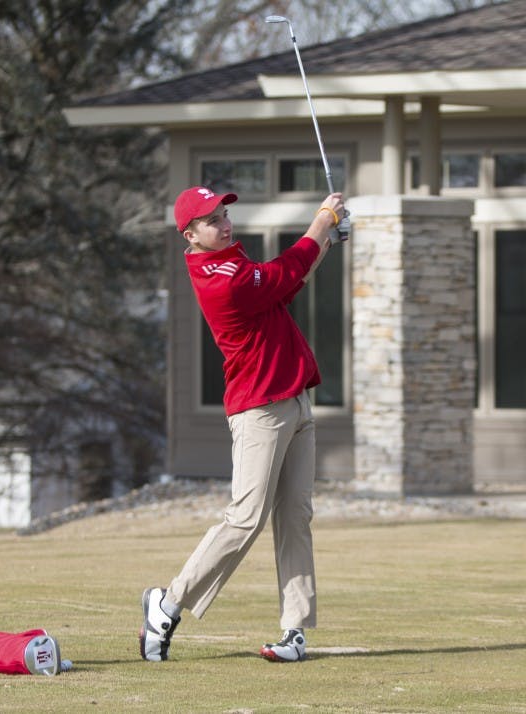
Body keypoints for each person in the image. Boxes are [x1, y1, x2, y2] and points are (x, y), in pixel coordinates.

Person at [139, 185, 347, 663]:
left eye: (224, 213)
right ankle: (166, 605)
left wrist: (328, 236)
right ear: (190, 235)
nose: (224, 222)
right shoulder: (221, 278)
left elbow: (289, 280)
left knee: (296, 517)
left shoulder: (234, 261)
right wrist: (323, 221)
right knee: (245, 518)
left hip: (294, 401)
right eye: (212, 220)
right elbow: (284, 273)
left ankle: (294, 631)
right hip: (259, 410)